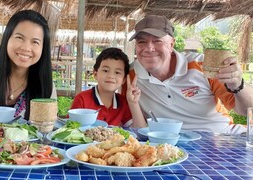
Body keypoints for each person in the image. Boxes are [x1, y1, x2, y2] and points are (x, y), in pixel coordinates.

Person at [122, 15, 253, 134]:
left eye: (157, 41)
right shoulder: (130, 76)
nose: (149, 48)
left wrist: (238, 84)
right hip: (169, 144)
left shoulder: (201, 66)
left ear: (171, 44)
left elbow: (247, 110)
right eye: (141, 42)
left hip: (222, 137)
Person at [70, 47, 146, 128]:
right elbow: (69, 128)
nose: (111, 76)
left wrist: (133, 103)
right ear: (95, 74)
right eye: (105, 71)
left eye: (117, 72)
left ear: (123, 79)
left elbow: (139, 131)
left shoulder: (123, 102)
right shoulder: (82, 99)